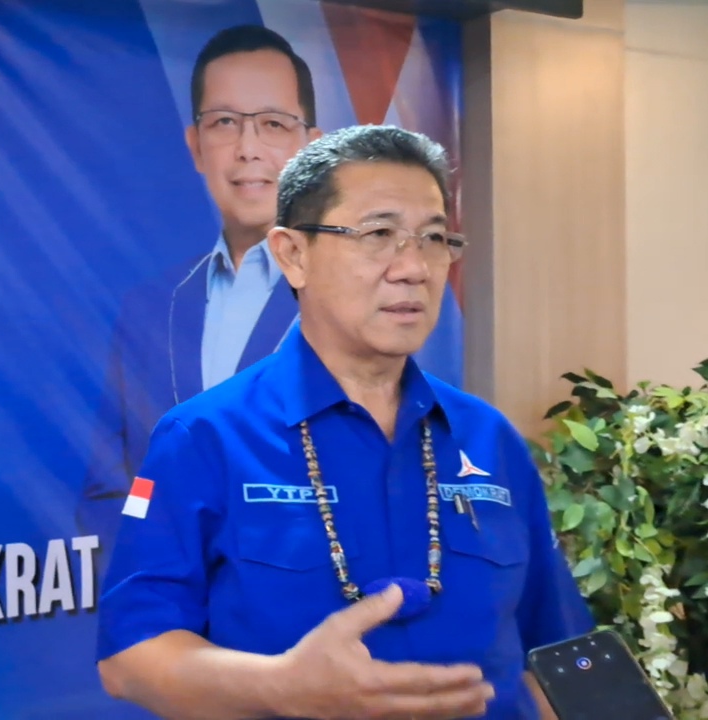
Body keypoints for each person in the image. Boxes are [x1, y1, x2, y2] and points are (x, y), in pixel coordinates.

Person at [95, 125, 594, 719]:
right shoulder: (204, 438)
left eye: (434, 238)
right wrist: (279, 685)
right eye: (379, 234)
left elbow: (556, 654)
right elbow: (130, 658)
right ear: (293, 255)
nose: (414, 268)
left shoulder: (488, 438)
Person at [77, 25, 465, 557]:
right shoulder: (150, 306)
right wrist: (158, 583)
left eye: (274, 124)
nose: (248, 149)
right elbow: (106, 491)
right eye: (224, 122)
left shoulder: (358, 302)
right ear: (195, 144)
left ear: (312, 146)